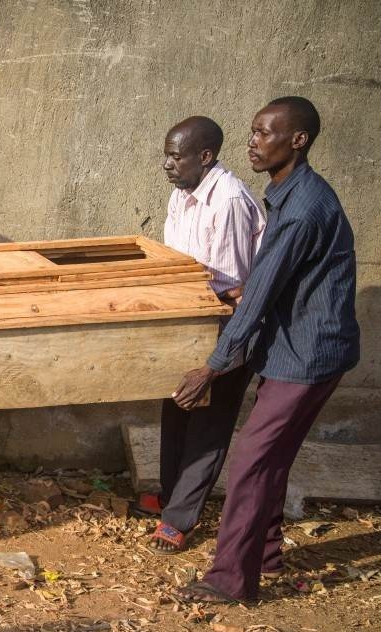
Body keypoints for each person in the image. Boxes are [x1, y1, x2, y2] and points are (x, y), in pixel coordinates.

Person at [174, 97, 359, 603]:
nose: (253, 142)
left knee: (252, 461)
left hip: (307, 357)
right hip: (294, 350)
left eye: (265, 133)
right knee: (269, 458)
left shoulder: (302, 208)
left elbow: (259, 294)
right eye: (253, 132)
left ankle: (230, 579)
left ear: (297, 141)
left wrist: (213, 367)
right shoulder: (284, 193)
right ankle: (266, 555)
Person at [140, 116, 265, 554]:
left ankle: (179, 519)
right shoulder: (183, 192)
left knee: (209, 420)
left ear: (205, 157)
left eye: (176, 156)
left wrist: (218, 352)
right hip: (190, 315)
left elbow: (231, 285)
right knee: (176, 402)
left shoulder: (227, 200)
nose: (167, 164)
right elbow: (181, 262)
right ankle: (170, 495)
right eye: (167, 155)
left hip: (228, 322)